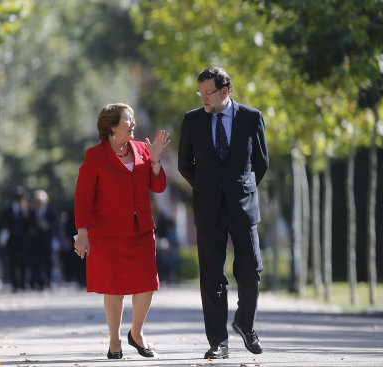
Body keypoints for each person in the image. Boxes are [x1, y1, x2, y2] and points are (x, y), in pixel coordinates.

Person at [178, 66, 269, 359]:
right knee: (212, 277)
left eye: (208, 92)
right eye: (200, 92)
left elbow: (261, 162)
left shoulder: (251, 118)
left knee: (251, 269)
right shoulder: (192, 120)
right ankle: (218, 342)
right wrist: (205, 187)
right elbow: (184, 164)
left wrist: (241, 188)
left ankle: (245, 323)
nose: (203, 98)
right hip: (208, 208)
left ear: (225, 91)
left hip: (243, 206)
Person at [74, 103, 170, 360]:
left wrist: (156, 159)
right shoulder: (95, 156)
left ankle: (136, 333)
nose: (133, 124)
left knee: (147, 284)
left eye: (133, 118)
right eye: (128, 119)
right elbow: (82, 198)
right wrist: (82, 233)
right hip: (107, 233)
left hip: (142, 231)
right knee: (113, 287)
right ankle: (114, 339)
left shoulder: (142, 149)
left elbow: (158, 187)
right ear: (112, 127)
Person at [0, 187, 30, 292]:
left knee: (23, 262)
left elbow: (29, 224)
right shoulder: (7, 211)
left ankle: (23, 283)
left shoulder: (26, 210)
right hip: (11, 241)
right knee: (12, 262)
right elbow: (1, 225)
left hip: (24, 241)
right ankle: (14, 284)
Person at [28, 189, 58, 290]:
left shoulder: (51, 210)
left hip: (47, 240)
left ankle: (48, 281)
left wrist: (46, 226)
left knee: (48, 261)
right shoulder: (32, 211)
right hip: (35, 241)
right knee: (36, 262)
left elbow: (55, 225)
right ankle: (38, 282)